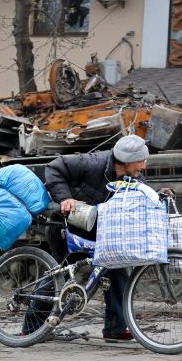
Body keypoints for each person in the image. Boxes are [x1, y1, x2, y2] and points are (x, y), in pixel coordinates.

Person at [42, 134, 151, 342]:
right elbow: (55, 167)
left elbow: (145, 193)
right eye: (141, 161)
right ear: (127, 161)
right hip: (69, 227)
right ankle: (31, 328)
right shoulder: (93, 163)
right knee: (61, 275)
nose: (143, 166)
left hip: (100, 231)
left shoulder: (133, 177)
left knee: (118, 273)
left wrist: (160, 195)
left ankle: (115, 328)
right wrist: (65, 198)